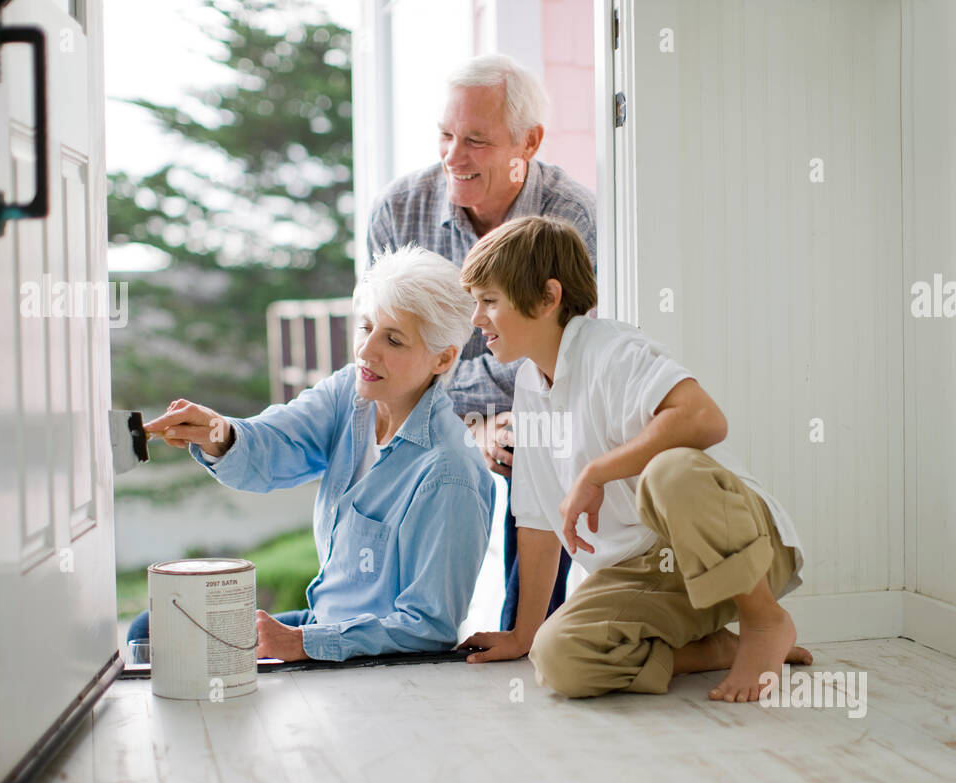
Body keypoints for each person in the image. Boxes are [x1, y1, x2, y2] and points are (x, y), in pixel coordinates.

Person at [458, 216, 813, 701]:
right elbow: (539, 520)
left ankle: (765, 621)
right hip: (651, 573)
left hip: (737, 543)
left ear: (547, 298)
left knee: (670, 471)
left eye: (489, 302)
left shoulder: (614, 351)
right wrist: (523, 635)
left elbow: (705, 419)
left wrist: (598, 471)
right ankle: (717, 651)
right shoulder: (529, 384)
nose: (477, 319)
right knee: (559, 659)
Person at [128, 246, 495, 662]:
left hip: (364, 655)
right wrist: (218, 432)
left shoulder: (449, 472)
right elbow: (277, 444)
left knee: (167, 641)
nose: (366, 351)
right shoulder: (350, 394)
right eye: (366, 327)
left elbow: (429, 627)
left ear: (443, 358)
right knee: (150, 628)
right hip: (320, 620)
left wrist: (303, 643)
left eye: (393, 339)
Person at [366, 52, 595, 633]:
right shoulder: (399, 210)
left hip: (534, 405)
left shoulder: (573, 219)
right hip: (429, 405)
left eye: (476, 140)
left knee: (538, 438)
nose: (453, 156)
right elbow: (390, 346)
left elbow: (563, 355)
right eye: (445, 134)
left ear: (529, 142)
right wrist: (469, 423)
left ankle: (530, 631)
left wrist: (504, 420)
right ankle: (389, 627)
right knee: (381, 435)